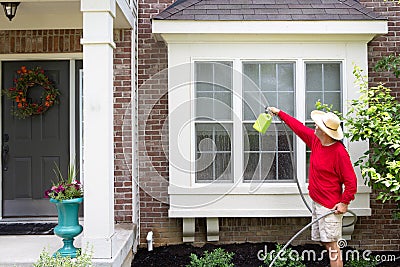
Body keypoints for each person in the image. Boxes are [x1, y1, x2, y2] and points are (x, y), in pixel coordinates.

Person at [268, 107, 357, 267]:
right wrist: (279, 113)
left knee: (332, 247)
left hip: (330, 206)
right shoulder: (317, 141)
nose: (315, 126)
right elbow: (299, 127)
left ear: (325, 132)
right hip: (318, 202)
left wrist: (344, 203)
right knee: (325, 242)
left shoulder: (339, 153)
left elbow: (352, 182)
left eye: (318, 126)